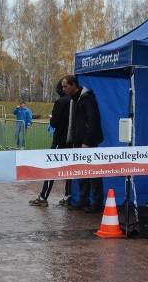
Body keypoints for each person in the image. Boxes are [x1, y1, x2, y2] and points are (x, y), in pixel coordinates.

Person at [61, 74, 105, 213]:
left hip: (88, 143)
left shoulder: (87, 100)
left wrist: (86, 142)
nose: (64, 89)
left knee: (93, 173)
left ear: (74, 85)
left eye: (65, 86)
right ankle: (83, 199)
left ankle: (96, 203)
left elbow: (93, 122)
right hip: (78, 142)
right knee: (81, 171)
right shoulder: (76, 100)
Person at [30, 81, 72, 207]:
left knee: (51, 168)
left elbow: (54, 123)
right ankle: (68, 196)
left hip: (60, 140)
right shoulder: (74, 100)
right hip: (72, 141)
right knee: (70, 170)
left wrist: (52, 119)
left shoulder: (61, 102)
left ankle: (43, 197)